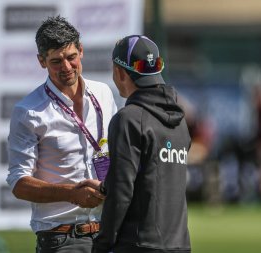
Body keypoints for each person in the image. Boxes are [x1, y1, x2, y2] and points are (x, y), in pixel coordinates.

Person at [6, 16, 117, 253]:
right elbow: (18, 183)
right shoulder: (28, 111)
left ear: (81, 51)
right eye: (56, 61)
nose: (66, 67)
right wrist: (71, 194)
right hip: (61, 239)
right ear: (41, 61)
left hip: (109, 233)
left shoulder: (104, 93)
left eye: (71, 57)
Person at [79, 35, 192, 253]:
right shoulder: (180, 122)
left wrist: (102, 245)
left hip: (138, 245)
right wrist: (105, 187)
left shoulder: (128, 119)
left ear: (120, 72)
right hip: (180, 245)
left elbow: (122, 191)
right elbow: (152, 178)